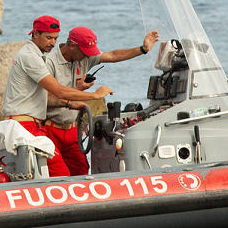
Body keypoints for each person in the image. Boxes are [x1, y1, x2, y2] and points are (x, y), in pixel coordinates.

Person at [1, 15, 114, 177]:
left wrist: (71, 103)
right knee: (60, 173)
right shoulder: (30, 57)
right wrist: (95, 95)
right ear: (35, 34)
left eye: (55, 38)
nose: (53, 43)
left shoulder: (36, 56)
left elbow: (50, 96)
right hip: (25, 126)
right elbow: (58, 91)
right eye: (48, 38)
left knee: (76, 170)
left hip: (32, 124)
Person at [43, 25, 159, 175]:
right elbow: (46, 99)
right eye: (84, 52)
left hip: (72, 129)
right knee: (59, 174)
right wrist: (82, 92)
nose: (87, 56)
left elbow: (112, 55)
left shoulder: (84, 57)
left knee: (82, 172)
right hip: (51, 128)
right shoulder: (49, 63)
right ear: (72, 46)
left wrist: (142, 49)